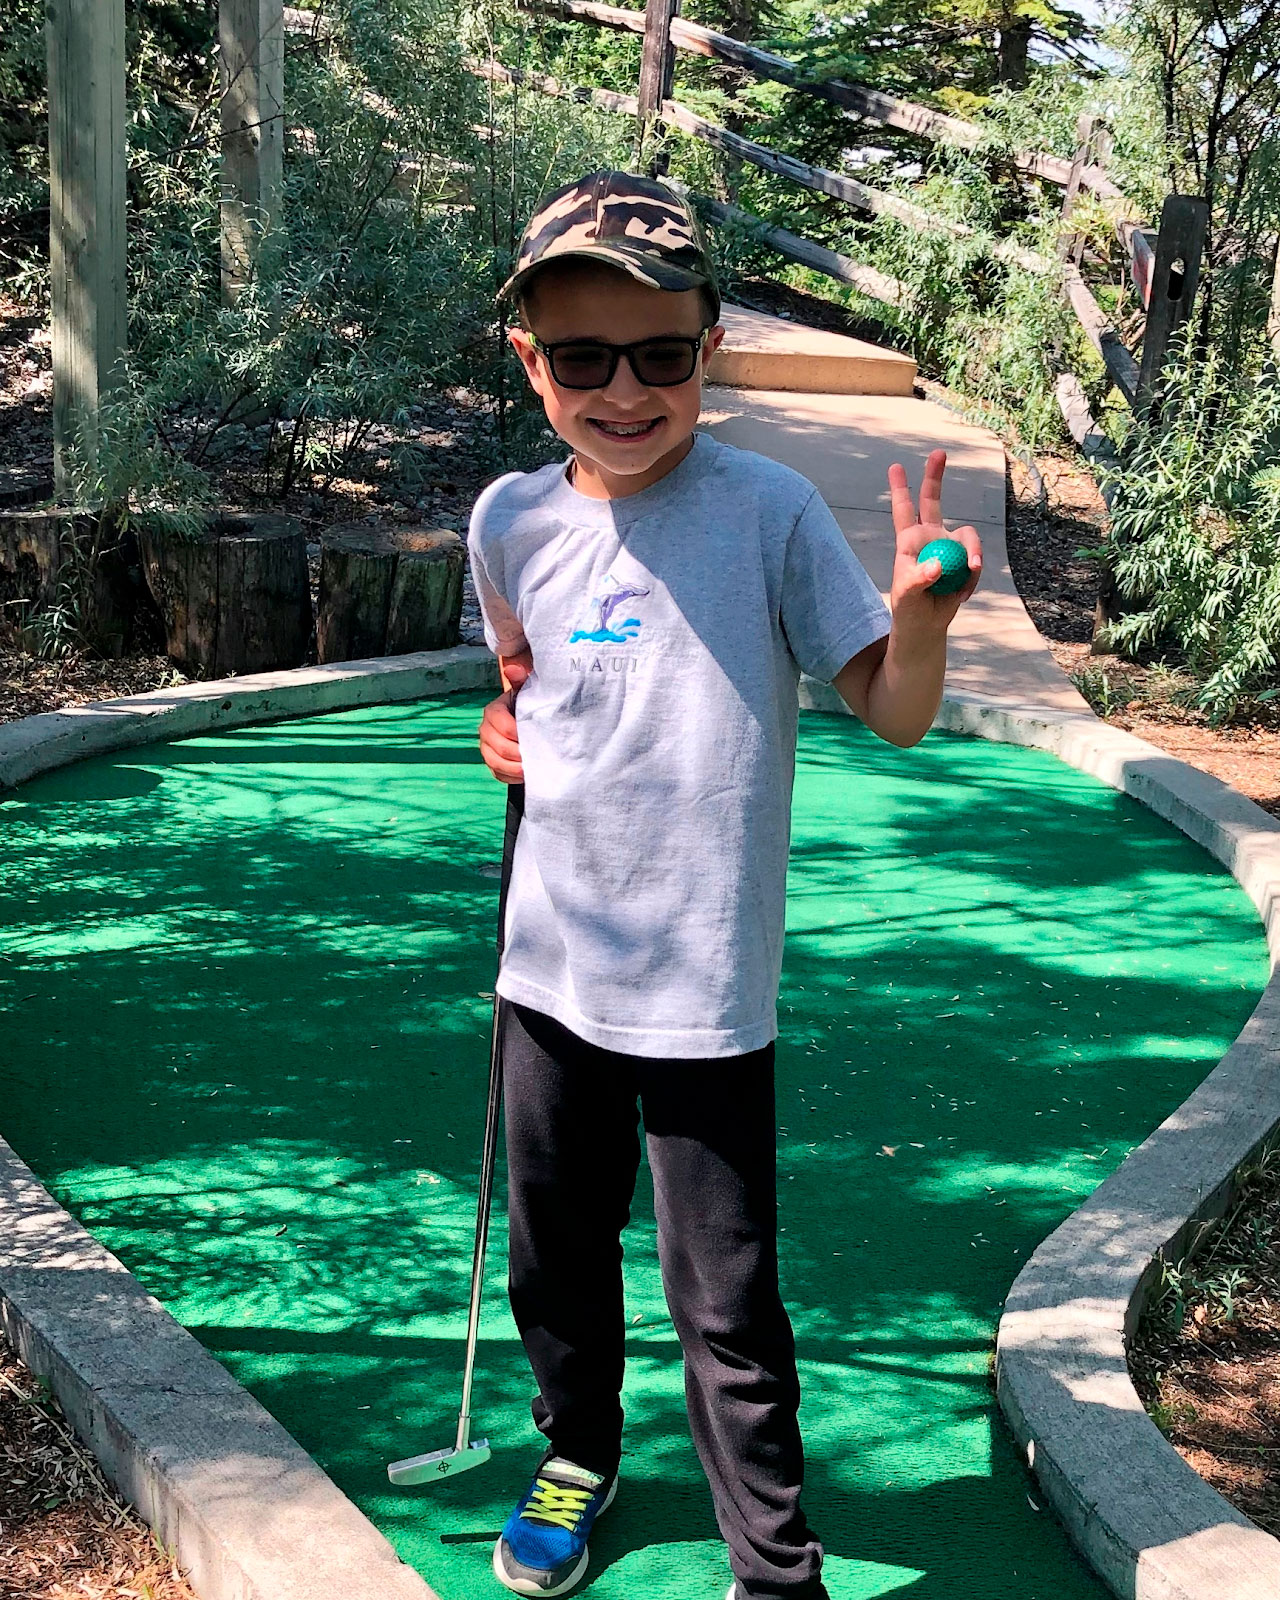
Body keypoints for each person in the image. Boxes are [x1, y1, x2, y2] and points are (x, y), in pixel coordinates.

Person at [467, 169, 982, 1600]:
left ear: (710, 350)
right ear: (532, 361)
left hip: (703, 989)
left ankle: (773, 1564)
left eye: (661, 355)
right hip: (550, 971)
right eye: (582, 358)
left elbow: (889, 703)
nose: (623, 390)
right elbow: (519, 684)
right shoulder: (506, 519)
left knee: (729, 1307)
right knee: (553, 1261)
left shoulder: (763, 510)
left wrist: (922, 616)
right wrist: (502, 733)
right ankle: (577, 1452)